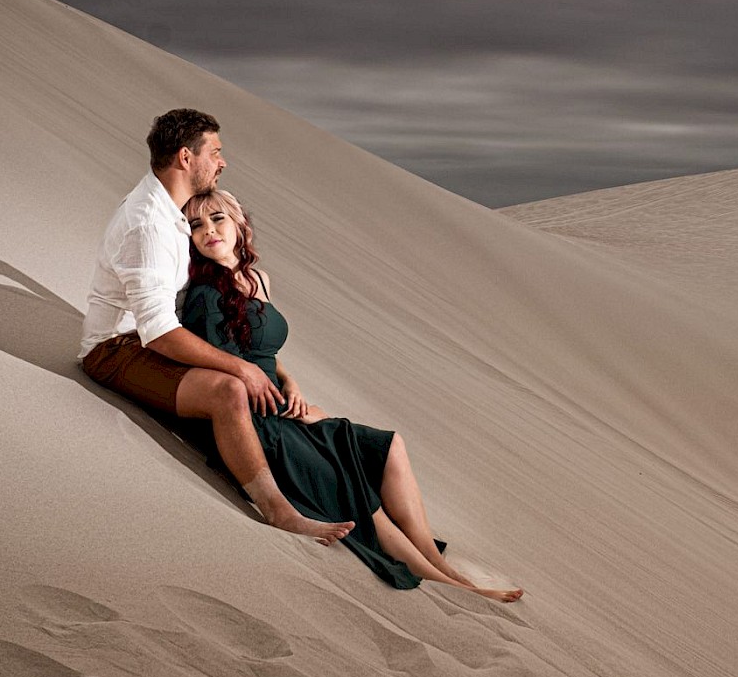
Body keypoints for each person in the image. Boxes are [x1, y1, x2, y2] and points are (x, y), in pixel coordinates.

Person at [181, 189, 524, 602]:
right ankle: (444, 582)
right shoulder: (204, 294)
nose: (209, 231)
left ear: (240, 224)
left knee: (389, 445)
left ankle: (437, 560)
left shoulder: (258, 279)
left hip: (281, 403)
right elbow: (222, 364)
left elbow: (264, 352)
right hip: (255, 420)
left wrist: (291, 383)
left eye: (217, 219)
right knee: (347, 477)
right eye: (196, 225)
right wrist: (279, 401)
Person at [80, 109, 354, 547]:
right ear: (187, 158)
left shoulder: (173, 212)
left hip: (149, 339)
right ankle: (280, 513)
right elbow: (158, 332)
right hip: (117, 350)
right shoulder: (148, 223)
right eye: (216, 152)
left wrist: (280, 373)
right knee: (230, 390)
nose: (222, 163)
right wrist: (242, 371)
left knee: (265, 389)